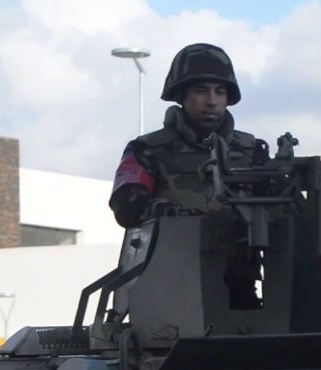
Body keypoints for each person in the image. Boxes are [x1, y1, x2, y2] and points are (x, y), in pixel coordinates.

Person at [107, 43, 265, 309]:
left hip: (238, 290)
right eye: (201, 91)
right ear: (181, 94)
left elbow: (284, 211)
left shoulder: (252, 152)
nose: (212, 101)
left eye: (220, 91)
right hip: (168, 287)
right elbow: (126, 206)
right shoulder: (148, 150)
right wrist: (175, 216)